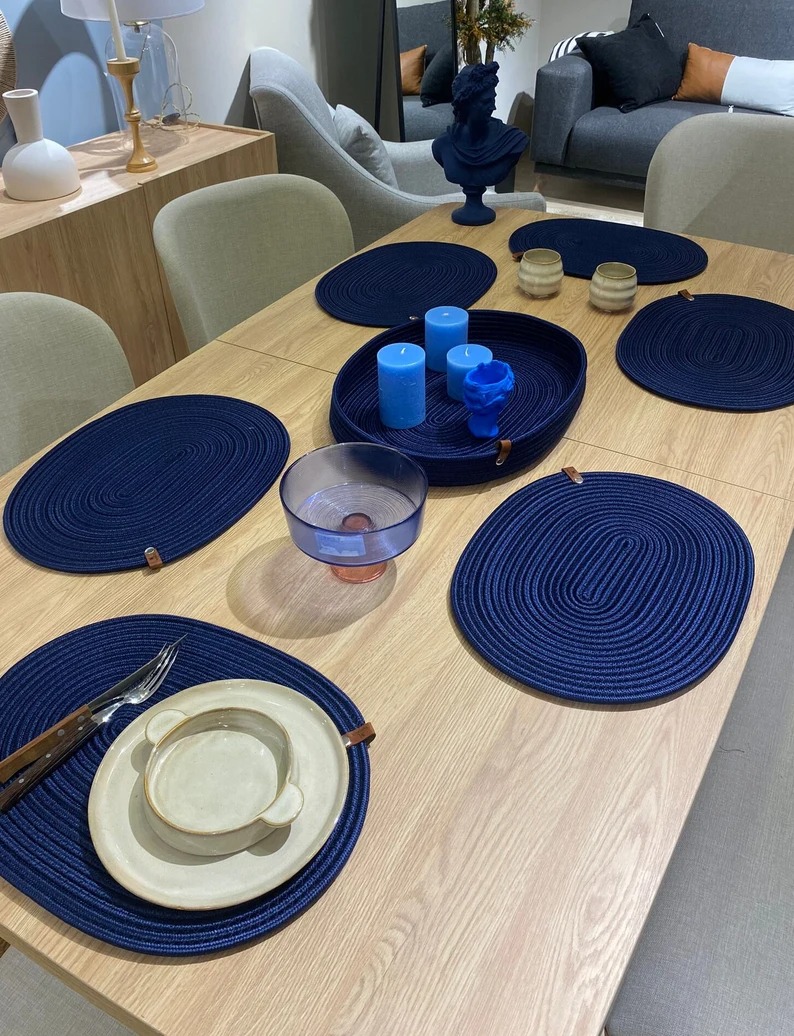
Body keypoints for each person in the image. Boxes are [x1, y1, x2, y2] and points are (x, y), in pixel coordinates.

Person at [432, 62, 527, 190]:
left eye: (493, 100)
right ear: (466, 104)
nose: (493, 107)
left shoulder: (513, 140)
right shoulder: (442, 145)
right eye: (486, 102)